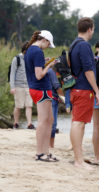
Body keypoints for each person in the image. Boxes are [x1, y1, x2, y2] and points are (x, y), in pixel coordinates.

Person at [69, 17, 99, 170]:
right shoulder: (84, 46)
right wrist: (96, 91)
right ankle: (78, 161)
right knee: (78, 123)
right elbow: (88, 70)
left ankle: (79, 156)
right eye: (93, 29)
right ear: (90, 29)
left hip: (76, 88)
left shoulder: (74, 44)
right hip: (83, 89)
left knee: (79, 123)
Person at [24, 30, 58, 162]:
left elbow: (34, 68)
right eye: (48, 45)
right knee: (44, 121)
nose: (48, 47)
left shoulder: (30, 50)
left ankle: (46, 151)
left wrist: (44, 63)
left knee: (49, 120)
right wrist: (49, 66)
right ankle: (39, 153)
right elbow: (39, 75)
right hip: (41, 89)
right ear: (44, 40)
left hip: (37, 89)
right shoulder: (38, 51)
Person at [9, 41, 35, 129]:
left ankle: (29, 124)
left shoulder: (31, 59)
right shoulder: (17, 59)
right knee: (18, 106)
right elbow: (12, 74)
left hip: (29, 86)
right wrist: (12, 87)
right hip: (18, 86)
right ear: (25, 50)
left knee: (29, 105)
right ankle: (16, 123)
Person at [47, 68, 64, 148]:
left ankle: (48, 144)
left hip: (48, 98)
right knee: (53, 124)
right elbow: (56, 86)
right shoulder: (52, 72)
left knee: (47, 122)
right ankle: (51, 145)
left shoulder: (48, 71)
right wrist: (64, 98)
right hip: (53, 99)